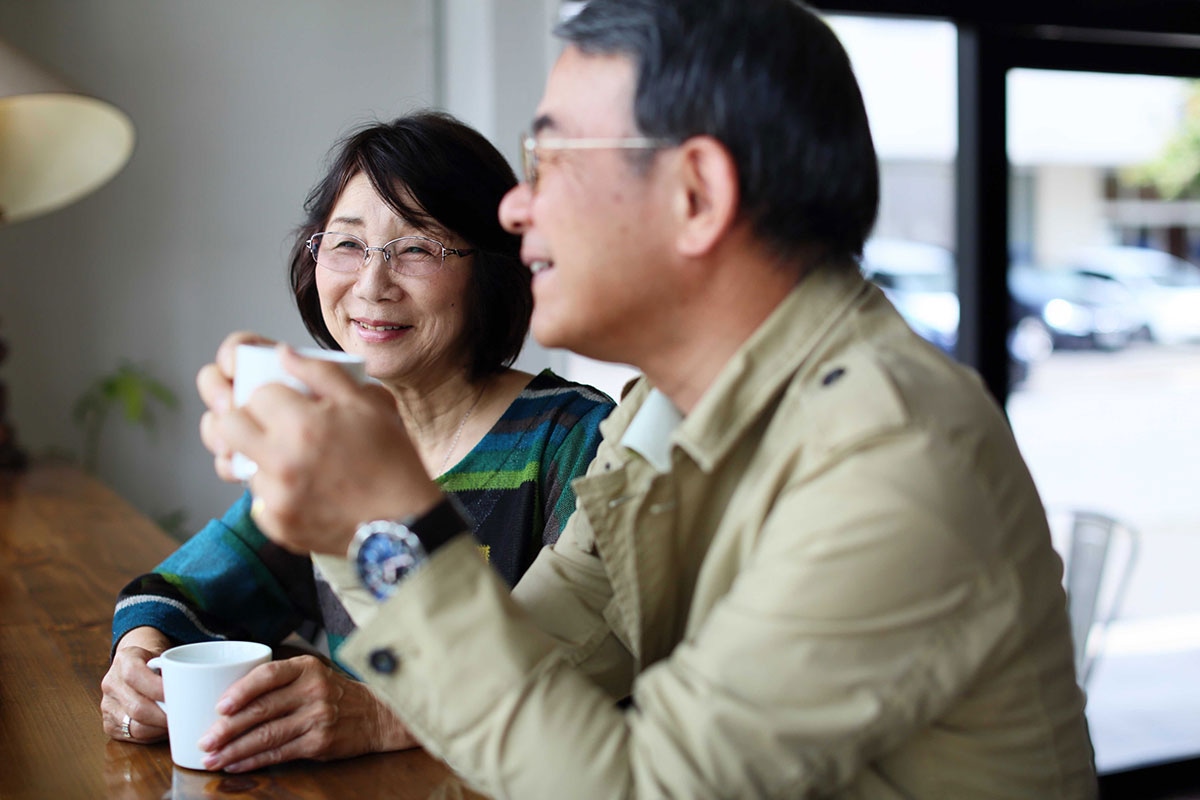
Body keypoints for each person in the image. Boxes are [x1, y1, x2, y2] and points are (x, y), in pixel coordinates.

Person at [199, 0, 1098, 796]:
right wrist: (362, 526)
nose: (515, 209)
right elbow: (540, 658)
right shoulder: (657, 417)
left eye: (549, 159)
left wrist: (386, 522)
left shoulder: (890, 458)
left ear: (696, 195)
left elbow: (641, 784)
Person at [100, 111, 615, 772]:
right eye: (347, 245)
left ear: (492, 269)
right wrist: (137, 658)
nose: (372, 285)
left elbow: (581, 673)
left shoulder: (574, 435)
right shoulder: (332, 439)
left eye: (419, 247)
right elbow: (185, 589)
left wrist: (380, 712)